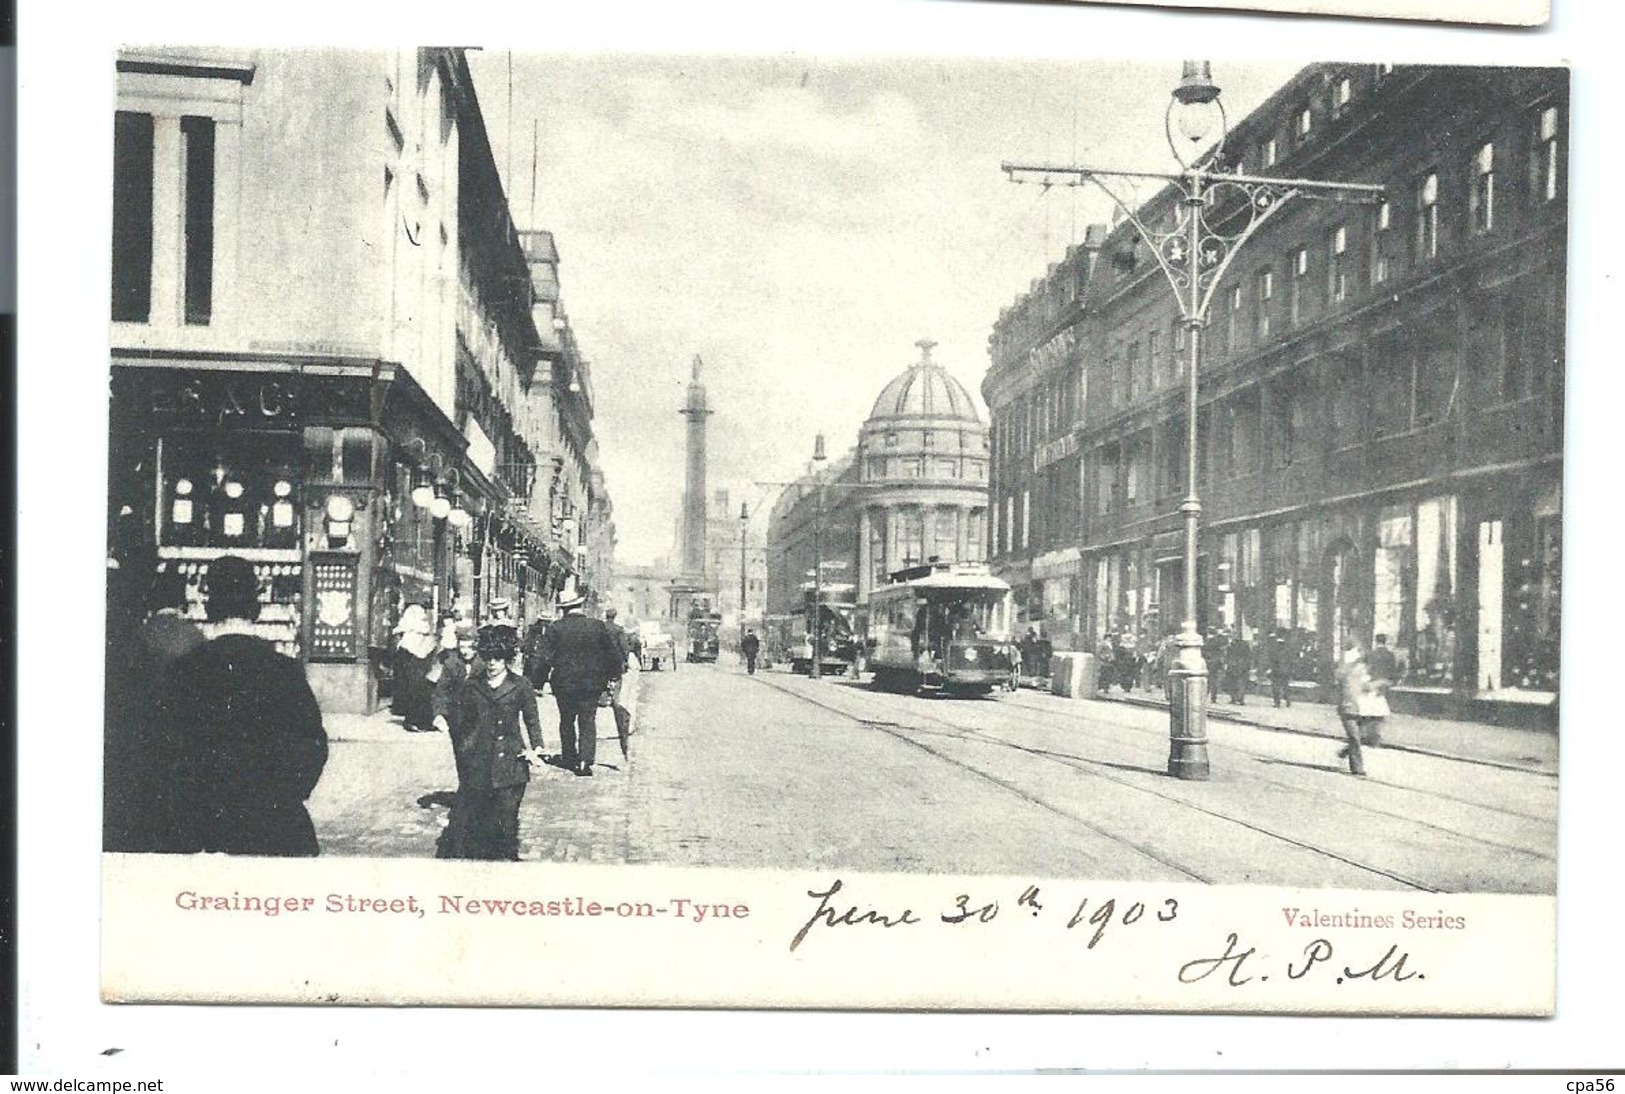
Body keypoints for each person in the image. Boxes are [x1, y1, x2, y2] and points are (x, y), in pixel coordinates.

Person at [165, 555, 329, 856]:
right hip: (273, 826)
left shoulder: (183, 671)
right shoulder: (284, 671)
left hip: (198, 830)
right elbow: (312, 747)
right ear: (257, 601)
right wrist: (283, 794)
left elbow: (166, 749)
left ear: (207, 600)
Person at [434, 623, 541, 860]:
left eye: (498, 658)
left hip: (512, 759)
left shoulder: (521, 685)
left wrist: (537, 747)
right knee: (482, 816)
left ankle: (507, 857)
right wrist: (463, 744)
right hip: (480, 759)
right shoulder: (472, 685)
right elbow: (460, 719)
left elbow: (532, 719)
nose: (492, 663)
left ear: (507, 659)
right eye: (489, 657)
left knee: (508, 815)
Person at [528, 587, 624, 776]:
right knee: (588, 720)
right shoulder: (597, 626)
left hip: (564, 684)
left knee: (567, 720)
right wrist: (613, 676)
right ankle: (584, 761)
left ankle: (569, 756)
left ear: (564, 608)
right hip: (592, 683)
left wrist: (537, 682)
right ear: (581, 605)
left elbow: (543, 658)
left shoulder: (555, 628)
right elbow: (613, 655)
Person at [1335, 645, 1389, 777]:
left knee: (1362, 737)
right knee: (1354, 737)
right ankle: (1357, 768)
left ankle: (1347, 751)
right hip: (1347, 709)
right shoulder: (1344, 673)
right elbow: (1339, 676)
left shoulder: (1364, 674)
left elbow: (1369, 686)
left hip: (1362, 709)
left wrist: (1380, 683)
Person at [392, 603, 439, 733]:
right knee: (414, 692)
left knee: (423, 692)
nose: (423, 618)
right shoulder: (408, 634)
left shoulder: (418, 630)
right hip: (413, 664)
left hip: (420, 663)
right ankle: (412, 721)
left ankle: (424, 721)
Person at [601, 607, 635, 760]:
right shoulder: (618, 629)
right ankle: (613, 699)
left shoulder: (601, 628)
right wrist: (625, 660)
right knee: (616, 689)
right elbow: (624, 647)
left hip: (601, 665)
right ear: (615, 616)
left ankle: (603, 696)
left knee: (602, 684)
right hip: (615, 665)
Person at [1266, 627, 1294, 708]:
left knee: (1275, 686)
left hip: (1276, 670)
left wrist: (1270, 669)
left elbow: (1273, 659)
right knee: (1285, 685)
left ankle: (1277, 702)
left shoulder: (1274, 647)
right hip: (1285, 670)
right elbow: (1290, 659)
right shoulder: (1288, 646)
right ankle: (1288, 700)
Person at [1225, 631, 1253, 705]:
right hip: (1240, 666)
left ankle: (1236, 698)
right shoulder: (1244, 644)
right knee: (1239, 683)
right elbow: (1249, 655)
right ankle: (1239, 699)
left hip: (1235, 666)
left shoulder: (1231, 645)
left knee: (1235, 683)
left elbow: (1228, 656)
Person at [1204, 627, 1229, 701]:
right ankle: (1213, 697)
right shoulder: (1217, 641)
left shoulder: (1206, 641)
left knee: (1207, 680)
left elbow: (1203, 652)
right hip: (1215, 662)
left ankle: (1205, 695)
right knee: (1214, 680)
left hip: (1207, 662)